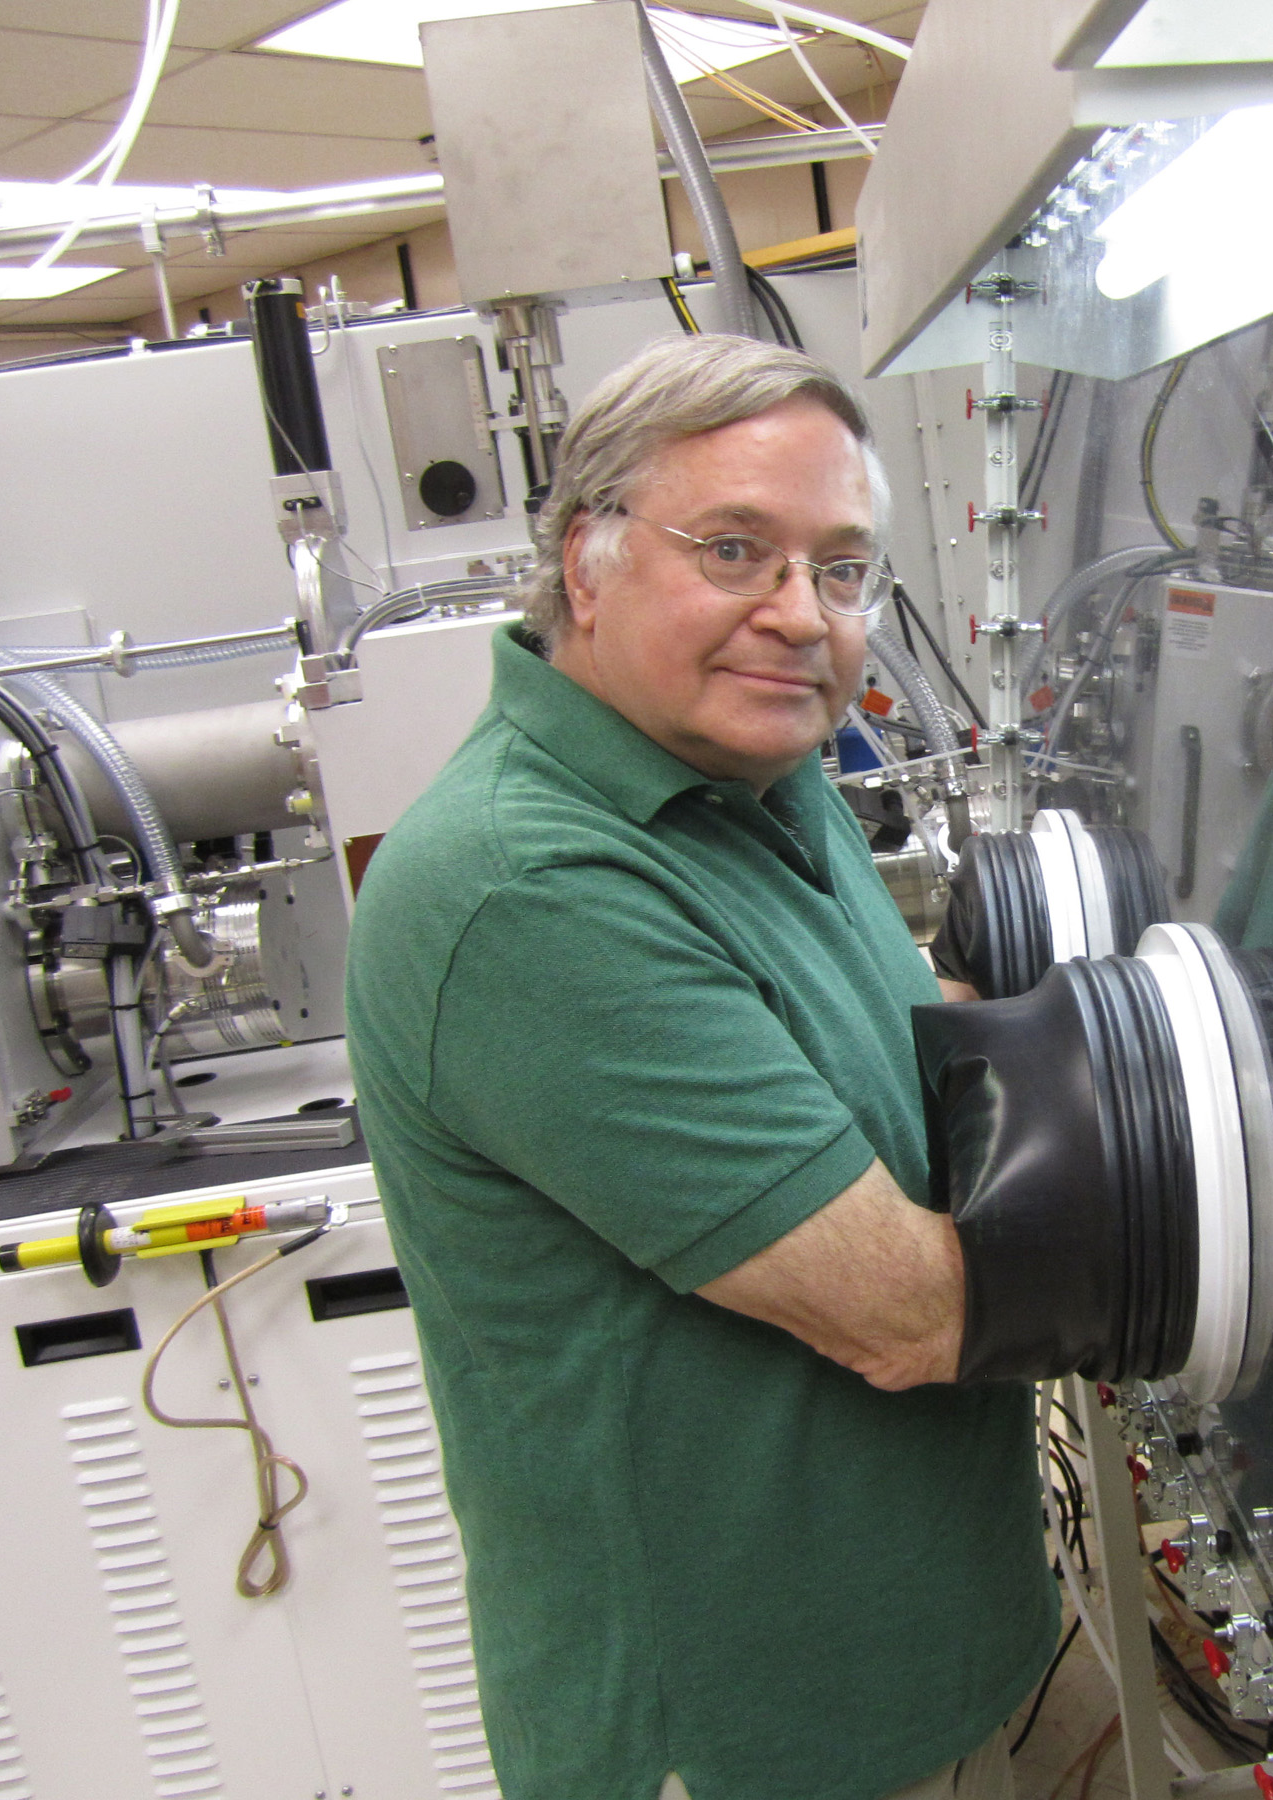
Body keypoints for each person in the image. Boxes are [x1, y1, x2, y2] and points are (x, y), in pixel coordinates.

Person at [345, 335, 1057, 1800]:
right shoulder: (525, 887)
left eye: (843, 568)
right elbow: (911, 1312)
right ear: (584, 564)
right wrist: (1236, 1223)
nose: (800, 616)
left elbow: (897, 1030)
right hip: (749, 1726)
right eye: (735, 549)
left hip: (918, 1653)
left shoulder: (762, 775)